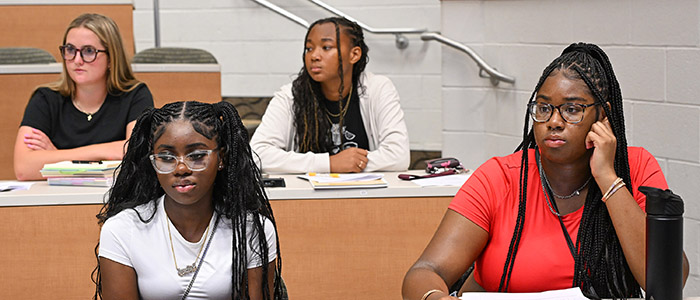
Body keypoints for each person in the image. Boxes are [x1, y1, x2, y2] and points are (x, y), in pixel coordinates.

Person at [402, 43, 690, 299]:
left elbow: (669, 282)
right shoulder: (499, 178)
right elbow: (425, 271)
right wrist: (435, 297)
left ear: (602, 115)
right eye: (543, 108)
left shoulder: (634, 168)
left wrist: (608, 179)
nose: (554, 121)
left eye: (572, 109)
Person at [92, 101, 283, 299]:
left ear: (222, 158)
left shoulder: (251, 228)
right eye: (166, 157)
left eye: (197, 155)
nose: (181, 168)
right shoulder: (123, 229)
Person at [250, 17, 409, 174]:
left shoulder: (377, 89)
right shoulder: (290, 96)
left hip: (364, 194)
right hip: (306, 195)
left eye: (326, 47)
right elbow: (257, 154)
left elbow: (398, 155)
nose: (314, 56)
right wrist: (330, 164)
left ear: (354, 54)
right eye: (309, 48)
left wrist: (350, 164)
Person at [13, 13, 153, 180]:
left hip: (117, 198)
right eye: (70, 50)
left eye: (88, 51)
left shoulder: (135, 95)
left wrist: (57, 157)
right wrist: (103, 152)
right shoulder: (45, 98)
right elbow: (23, 168)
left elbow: (136, 157)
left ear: (111, 58)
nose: (77, 60)